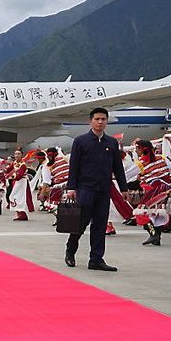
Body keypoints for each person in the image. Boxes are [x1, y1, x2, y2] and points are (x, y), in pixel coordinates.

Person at [64, 108, 128, 271]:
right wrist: (71, 187)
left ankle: (96, 259)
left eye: (103, 119)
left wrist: (124, 188)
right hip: (85, 188)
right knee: (80, 222)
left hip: (104, 190)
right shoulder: (81, 141)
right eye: (97, 119)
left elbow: (118, 167)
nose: (100, 122)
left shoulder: (111, 143)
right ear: (90, 121)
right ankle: (70, 251)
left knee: (100, 224)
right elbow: (74, 166)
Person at [7, 149, 34, 221]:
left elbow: (19, 176)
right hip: (16, 182)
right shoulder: (14, 162)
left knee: (20, 198)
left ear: (22, 155)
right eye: (15, 154)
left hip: (22, 183)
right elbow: (8, 169)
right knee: (15, 197)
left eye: (18, 154)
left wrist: (11, 176)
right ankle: (20, 214)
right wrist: (3, 169)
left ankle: (22, 214)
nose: (16, 155)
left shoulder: (23, 165)